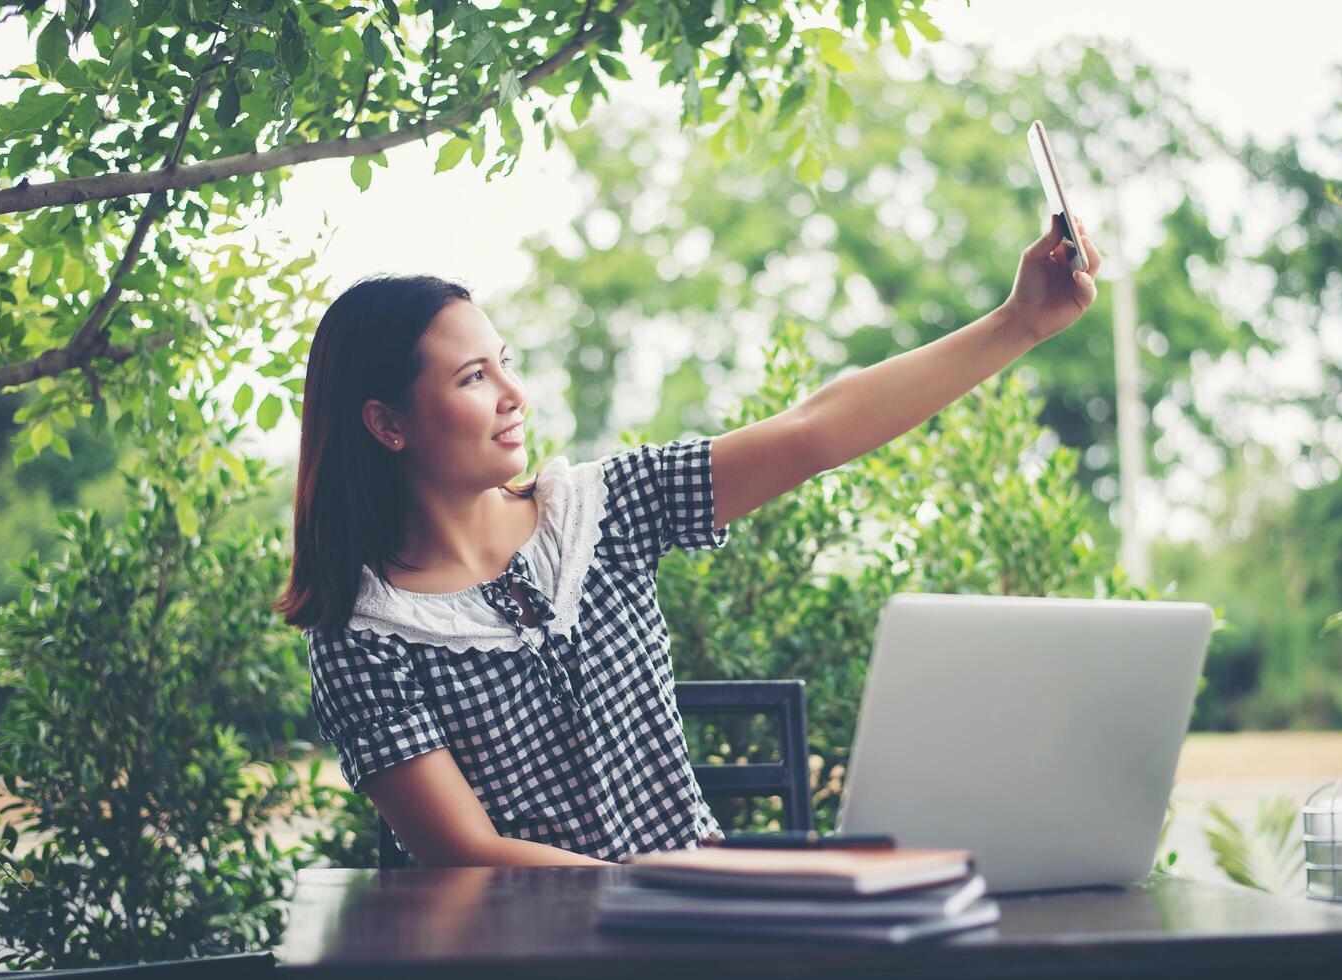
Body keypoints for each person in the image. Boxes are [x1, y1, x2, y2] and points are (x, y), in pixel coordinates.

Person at [276, 213, 1101, 868]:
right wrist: (667, 893)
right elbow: (467, 852)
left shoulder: (599, 513)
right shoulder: (360, 631)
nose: (512, 395)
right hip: (523, 948)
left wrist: (1019, 322)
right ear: (385, 424)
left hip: (695, 929)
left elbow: (814, 430)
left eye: (504, 362)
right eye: (472, 377)